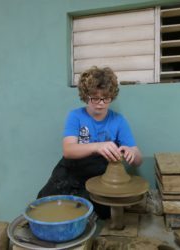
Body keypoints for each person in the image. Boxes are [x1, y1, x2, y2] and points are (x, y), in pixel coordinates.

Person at [37, 66, 142, 219]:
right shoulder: (76, 116)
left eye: (106, 98)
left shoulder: (118, 121)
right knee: (45, 206)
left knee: (95, 214)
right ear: (86, 96)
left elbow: (138, 160)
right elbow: (68, 150)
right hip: (70, 173)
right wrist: (97, 146)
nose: (100, 103)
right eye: (95, 98)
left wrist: (133, 153)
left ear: (111, 96)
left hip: (99, 177)